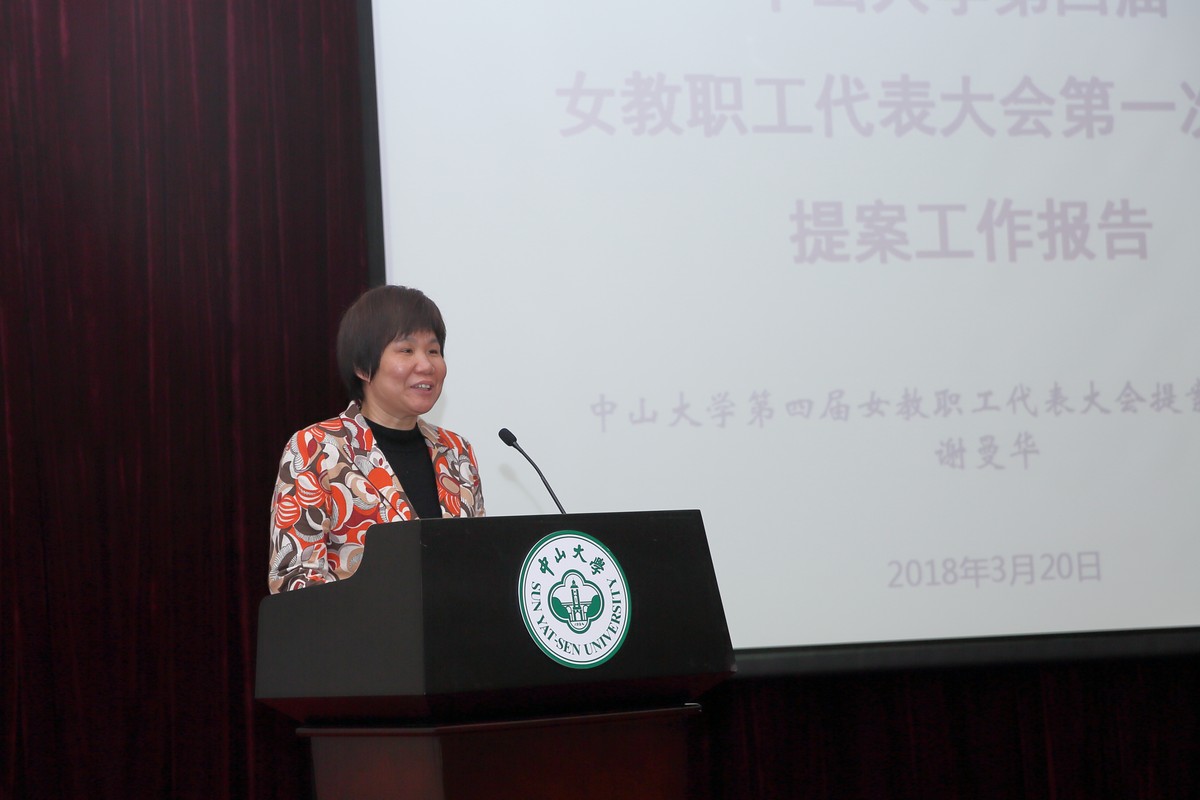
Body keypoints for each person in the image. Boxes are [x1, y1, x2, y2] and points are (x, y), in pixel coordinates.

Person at [268, 285, 485, 593]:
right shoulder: (316, 449)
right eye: (407, 350)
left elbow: (478, 563)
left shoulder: (457, 453)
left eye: (433, 351)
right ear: (362, 366)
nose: (426, 365)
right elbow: (294, 580)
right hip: (357, 626)